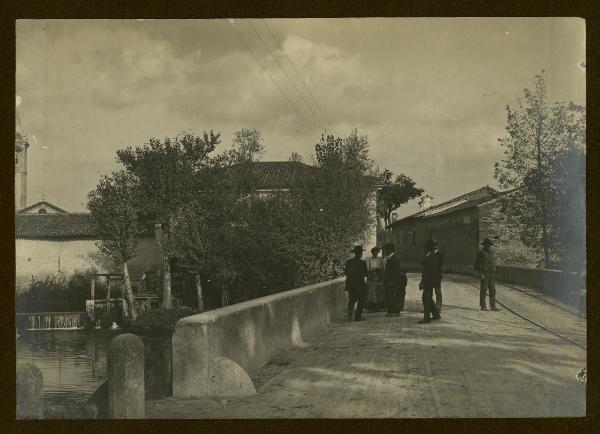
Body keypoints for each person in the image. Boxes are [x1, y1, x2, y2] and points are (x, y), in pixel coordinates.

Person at [418, 239, 441, 324]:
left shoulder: (430, 257)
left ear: (427, 248)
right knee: (428, 298)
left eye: (425, 247)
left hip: (429, 281)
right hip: (430, 281)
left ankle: (426, 318)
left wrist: (423, 282)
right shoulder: (430, 256)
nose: (424, 248)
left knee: (425, 299)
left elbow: (428, 272)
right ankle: (436, 314)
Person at [474, 238, 499, 311]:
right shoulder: (480, 253)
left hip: (491, 274)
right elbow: (476, 265)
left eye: (489, 245)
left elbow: (493, 261)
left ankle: (493, 306)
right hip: (484, 274)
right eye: (486, 245)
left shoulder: (491, 252)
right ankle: (483, 306)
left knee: (492, 290)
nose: (488, 246)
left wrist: (494, 268)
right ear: (484, 245)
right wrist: (480, 274)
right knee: (484, 290)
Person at [344, 245, 368, 321]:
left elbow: (346, 273)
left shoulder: (349, 262)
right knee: (361, 300)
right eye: (361, 253)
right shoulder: (362, 263)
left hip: (351, 284)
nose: (361, 254)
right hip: (360, 285)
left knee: (352, 300)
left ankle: (350, 315)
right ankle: (358, 316)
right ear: (359, 253)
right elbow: (365, 274)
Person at [382, 243, 406, 317]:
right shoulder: (389, 258)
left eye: (385, 249)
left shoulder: (394, 259)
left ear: (389, 250)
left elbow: (396, 272)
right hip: (388, 281)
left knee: (392, 296)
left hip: (392, 282)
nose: (384, 251)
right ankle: (391, 311)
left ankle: (394, 311)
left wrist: (393, 281)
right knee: (389, 295)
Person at [365, 246, 385, 311]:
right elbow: (367, 269)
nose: (375, 253)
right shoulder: (369, 259)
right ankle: (371, 307)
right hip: (371, 278)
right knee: (371, 292)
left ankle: (379, 306)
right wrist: (375, 268)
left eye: (376, 252)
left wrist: (380, 270)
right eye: (374, 252)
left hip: (379, 277)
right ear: (372, 252)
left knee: (379, 292)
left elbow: (384, 268)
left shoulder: (380, 259)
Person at [432, 241, 444, 312]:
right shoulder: (431, 254)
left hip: (437, 275)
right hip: (431, 275)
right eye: (433, 246)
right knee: (429, 292)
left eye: (435, 246)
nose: (434, 247)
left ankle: (438, 307)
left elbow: (440, 265)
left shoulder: (440, 254)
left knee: (437, 291)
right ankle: (431, 307)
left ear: (437, 246)